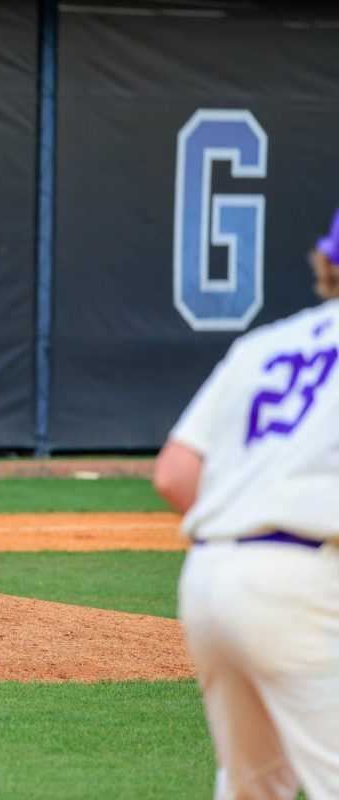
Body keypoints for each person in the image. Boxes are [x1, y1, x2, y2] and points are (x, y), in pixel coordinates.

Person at [152, 207, 339, 799]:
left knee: (253, 788)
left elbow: (175, 475)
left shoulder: (266, 343)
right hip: (302, 586)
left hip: (208, 580)